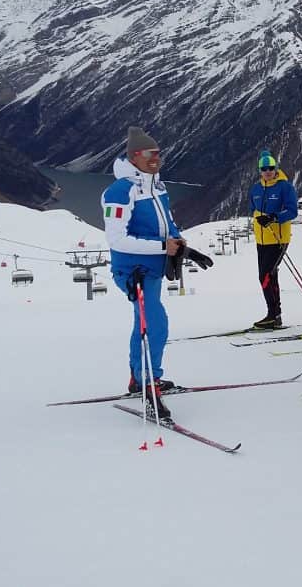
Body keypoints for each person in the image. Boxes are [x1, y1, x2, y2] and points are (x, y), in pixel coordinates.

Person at [102, 126, 183, 419]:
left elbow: (168, 222)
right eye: (150, 154)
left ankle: (138, 378)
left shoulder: (157, 187)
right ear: (134, 156)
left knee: (143, 322)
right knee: (156, 324)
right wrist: (164, 246)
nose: (156, 158)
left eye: (158, 153)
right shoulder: (120, 191)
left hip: (153, 268)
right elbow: (117, 239)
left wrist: (181, 242)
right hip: (133, 270)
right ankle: (150, 384)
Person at [249, 150, 298, 329]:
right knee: (268, 276)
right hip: (261, 240)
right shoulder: (255, 188)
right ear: (260, 171)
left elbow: (293, 211)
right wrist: (260, 219)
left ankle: (273, 315)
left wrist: (273, 217)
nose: (268, 171)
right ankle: (274, 315)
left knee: (266, 276)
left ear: (276, 168)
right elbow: (253, 209)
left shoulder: (285, 187)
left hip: (279, 239)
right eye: (264, 168)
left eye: (271, 168)